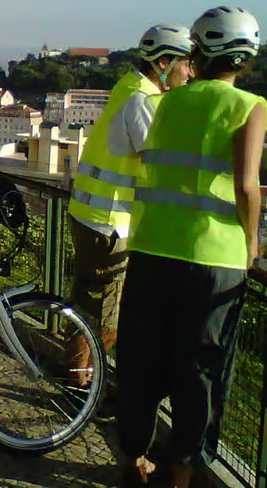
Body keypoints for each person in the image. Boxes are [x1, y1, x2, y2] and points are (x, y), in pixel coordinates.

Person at [115, 7, 267, 488]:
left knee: (142, 362)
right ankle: (181, 474)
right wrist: (253, 241)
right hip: (213, 260)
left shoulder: (167, 102)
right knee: (200, 369)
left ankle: (131, 462)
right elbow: (247, 185)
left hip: (152, 247)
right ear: (245, 59)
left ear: (198, 52)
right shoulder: (250, 106)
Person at [65, 24, 194, 410]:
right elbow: (161, 164)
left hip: (90, 213)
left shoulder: (129, 88)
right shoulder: (144, 102)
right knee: (107, 314)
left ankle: (76, 381)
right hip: (110, 223)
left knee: (86, 302)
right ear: (165, 61)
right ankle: (87, 389)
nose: (189, 74)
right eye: (186, 65)